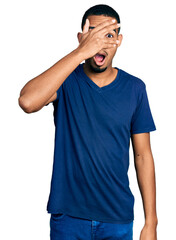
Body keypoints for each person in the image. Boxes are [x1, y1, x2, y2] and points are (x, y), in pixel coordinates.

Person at [18, 4, 158, 240]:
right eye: (93, 33)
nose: (100, 42)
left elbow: (143, 156)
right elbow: (27, 101)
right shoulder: (66, 80)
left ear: (119, 40)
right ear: (82, 37)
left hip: (117, 218)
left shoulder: (135, 88)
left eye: (108, 35)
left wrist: (151, 223)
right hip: (69, 218)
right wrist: (80, 52)